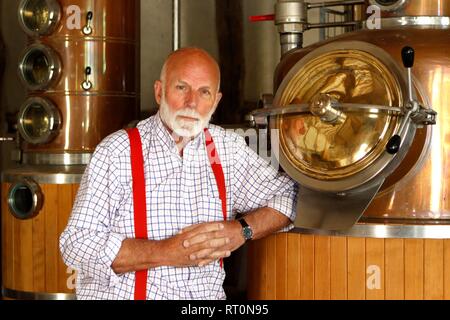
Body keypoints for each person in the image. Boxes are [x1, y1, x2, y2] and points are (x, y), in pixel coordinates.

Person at [59, 47, 298, 300]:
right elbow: (77, 244)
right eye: (181, 88)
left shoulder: (228, 150)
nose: (191, 103)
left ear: (215, 101)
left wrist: (241, 231)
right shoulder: (117, 152)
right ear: (159, 91)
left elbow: (288, 195)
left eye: (204, 92)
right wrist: (164, 251)